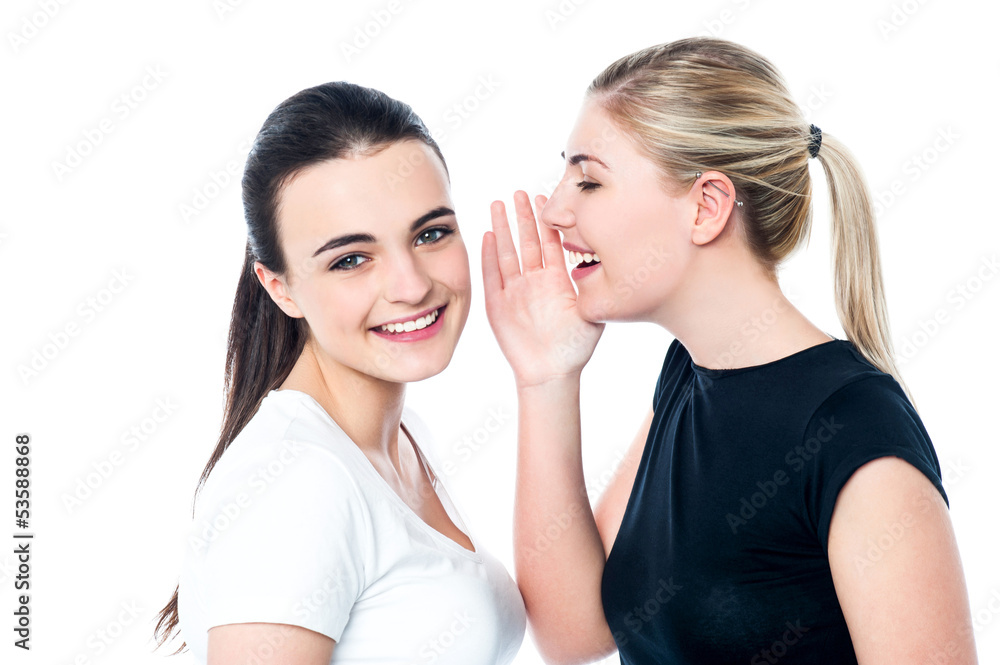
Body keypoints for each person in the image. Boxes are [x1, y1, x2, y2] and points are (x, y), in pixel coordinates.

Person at [481, 37, 977, 664]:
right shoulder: (687, 379)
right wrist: (545, 378)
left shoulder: (854, 429)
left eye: (588, 181)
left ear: (706, 207)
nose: (554, 209)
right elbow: (574, 633)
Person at [153, 82, 525, 664]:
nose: (412, 285)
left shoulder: (395, 439)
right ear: (280, 288)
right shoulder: (295, 483)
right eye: (351, 259)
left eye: (430, 234)